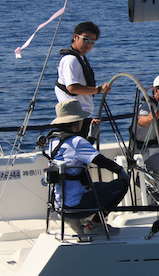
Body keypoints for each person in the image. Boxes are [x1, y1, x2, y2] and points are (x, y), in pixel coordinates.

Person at [43, 99, 130, 236]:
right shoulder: (76, 141)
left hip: (60, 205)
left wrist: (92, 136)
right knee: (121, 185)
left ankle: (75, 221)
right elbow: (100, 160)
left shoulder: (54, 141)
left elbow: (76, 152)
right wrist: (122, 172)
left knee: (102, 186)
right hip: (77, 207)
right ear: (76, 121)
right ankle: (95, 224)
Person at [54, 22, 111, 139]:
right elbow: (72, 87)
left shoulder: (80, 58)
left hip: (82, 116)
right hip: (74, 118)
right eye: (86, 39)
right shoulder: (70, 60)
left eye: (92, 42)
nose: (89, 44)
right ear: (76, 37)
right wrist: (99, 90)